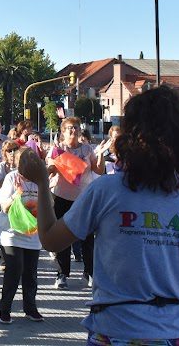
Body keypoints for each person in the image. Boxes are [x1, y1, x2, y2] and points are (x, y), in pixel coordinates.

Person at [20, 86, 179, 344]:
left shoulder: (106, 190)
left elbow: (51, 240)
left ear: (130, 136)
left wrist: (43, 183)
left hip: (116, 328)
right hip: (176, 330)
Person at [46, 116, 105, 289]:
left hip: (83, 198)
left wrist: (100, 155)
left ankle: (89, 273)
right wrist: (52, 167)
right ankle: (62, 273)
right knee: (63, 236)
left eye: (77, 127)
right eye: (70, 128)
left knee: (87, 237)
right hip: (61, 197)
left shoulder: (87, 149)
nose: (74, 130)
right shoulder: (57, 149)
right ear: (63, 132)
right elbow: (50, 170)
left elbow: (99, 171)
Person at [0, 147, 44, 324]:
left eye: (33, 159)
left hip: (32, 234)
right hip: (12, 234)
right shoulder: (11, 178)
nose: (29, 163)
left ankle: (30, 308)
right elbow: (5, 207)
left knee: (31, 274)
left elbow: (49, 205)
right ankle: (5, 309)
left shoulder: (40, 181)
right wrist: (18, 193)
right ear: (17, 162)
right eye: (24, 160)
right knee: (14, 270)